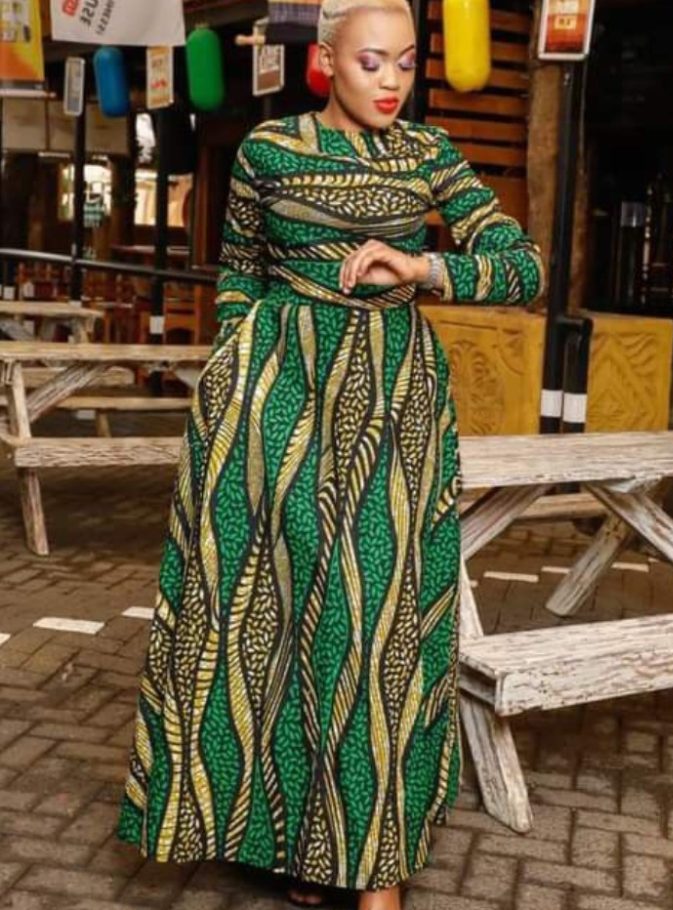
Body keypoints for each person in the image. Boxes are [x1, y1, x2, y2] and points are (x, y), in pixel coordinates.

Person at [116, 0, 544, 908]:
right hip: (274, 404)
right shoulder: (268, 152)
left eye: (406, 63)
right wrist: (233, 372)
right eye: (370, 63)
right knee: (269, 613)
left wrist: (424, 269)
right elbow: (240, 273)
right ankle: (304, 846)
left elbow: (523, 267)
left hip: (392, 403)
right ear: (326, 61)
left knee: (378, 618)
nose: (391, 82)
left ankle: (376, 868)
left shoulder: (429, 155)